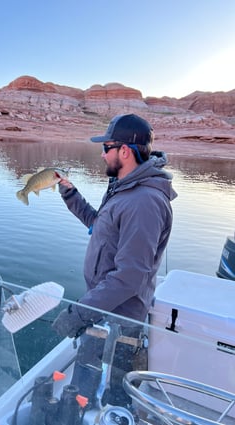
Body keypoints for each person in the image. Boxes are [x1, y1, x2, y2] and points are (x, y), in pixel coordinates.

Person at [52, 113, 177, 406]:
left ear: (124, 151)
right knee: (84, 385)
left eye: (106, 146)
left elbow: (129, 276)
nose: (101, 153)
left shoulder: (144, 201)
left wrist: (79, 314)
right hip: (103, 306)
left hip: (119, 321)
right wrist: (70, 195)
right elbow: (100, 228)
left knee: (113, 395)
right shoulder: (124, 188)